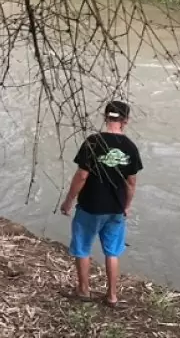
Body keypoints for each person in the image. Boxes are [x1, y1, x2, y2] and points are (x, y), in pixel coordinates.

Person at [60, 100, 142, 307]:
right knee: (112, 252)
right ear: (125, 121)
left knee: (82, 248)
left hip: (90, 206)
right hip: (116, 208)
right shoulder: (130, 147)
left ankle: (84, 290)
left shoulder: (93, 142)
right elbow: (131, 182)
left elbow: (81, 175)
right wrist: (127, 205)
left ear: (105, 117)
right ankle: (112, 296)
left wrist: (69, 200)